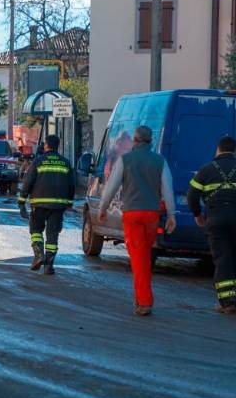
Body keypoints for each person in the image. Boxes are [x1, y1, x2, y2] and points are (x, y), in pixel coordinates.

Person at [98, 126, 176, 317]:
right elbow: (167, 188)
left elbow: (112, 186)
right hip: (152, 214)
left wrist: (102, 208)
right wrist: (172, 215)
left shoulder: (126, 160)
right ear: (150, 142)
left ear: (134, 141)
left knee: (139, 259)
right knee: (145, 256)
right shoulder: (160, 161)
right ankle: (141, 297)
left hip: (132, 214)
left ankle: (144, 301)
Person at [187, 136, 236, 314]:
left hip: (216, 218)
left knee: (223, 259)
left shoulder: (206, 170)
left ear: (218, 149)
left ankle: (227, 302)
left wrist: (197, 214)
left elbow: (192, 195)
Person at [18, 135, 75, 275]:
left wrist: (21, 201)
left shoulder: (38, 162)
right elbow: (72, 185)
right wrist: (69, 202)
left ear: (46, 146)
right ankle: (49, 265)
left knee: (36, 230)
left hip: (39, 204)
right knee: (52, 235)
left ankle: (38, 255)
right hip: (58, 206)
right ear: (58, 146)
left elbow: (28, 182)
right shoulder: (66, 163)